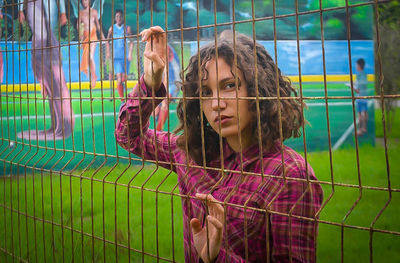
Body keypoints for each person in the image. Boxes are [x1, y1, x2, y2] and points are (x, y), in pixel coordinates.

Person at [115, 26, 323, 262]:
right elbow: (128, 136)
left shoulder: (289, 175)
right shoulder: (191, 152)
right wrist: (150, 84)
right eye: (205, 92)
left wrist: (218, 258)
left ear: (258, 89)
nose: (216, 104)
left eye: (229, 86)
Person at [17, 0, 74, 140]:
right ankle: (58, 124)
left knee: (45, 52)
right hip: (34, 5)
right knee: (44, 58)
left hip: (43, 6)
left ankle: (63, 124)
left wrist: (62, 11)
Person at [106, 9, 133, 101]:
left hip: (125, 57)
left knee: (123, 79)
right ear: (115, 18)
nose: (118, 18)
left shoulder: (126, 28)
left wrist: (130, 53)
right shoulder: (112, 29)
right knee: (119, 78)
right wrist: (108, 52)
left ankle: (122, 89)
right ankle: (122, 100)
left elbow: (132, 42)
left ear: (122, 18)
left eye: (120, 17)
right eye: (117, 17)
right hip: (116, 57)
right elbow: (107, 41)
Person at [78, 0, 105, 88]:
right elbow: (78, 25)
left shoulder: (94, 12)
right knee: (88, 59)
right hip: (85, 37)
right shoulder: (81, 13)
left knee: (90, 56)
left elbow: (97, 25)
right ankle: (93, 76)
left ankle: (93, 77)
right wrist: (80, 36)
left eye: (85, 0)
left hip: (93, 35)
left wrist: (102, 36)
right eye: (82, 1)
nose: (84, 2)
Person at [154, 44, 180, 131]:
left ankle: (158, 131)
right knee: (157, 107)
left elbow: (166, 75)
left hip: (175, 83)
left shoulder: (165, 48)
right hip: (166, 81)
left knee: (164, 101)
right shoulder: (157, 49)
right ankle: (158, 125)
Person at [354, 58, 368, 135]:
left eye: (356, 65)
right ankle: (364, 128)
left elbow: (357, 90)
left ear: (359, 65)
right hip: (365, 96)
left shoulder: (359, 75)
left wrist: (351, 86)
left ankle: (360, 130)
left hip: (360, 97)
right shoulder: (364, 74)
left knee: (359, 114)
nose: (356, 66)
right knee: (365, 113)